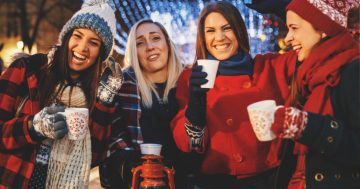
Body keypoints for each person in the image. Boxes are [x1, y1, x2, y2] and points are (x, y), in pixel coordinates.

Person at [171, 2, 298, 189]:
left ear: (238, 30)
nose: (219, 37)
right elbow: (192, 145)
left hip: (272, 179)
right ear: (203, 37)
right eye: (210, 31)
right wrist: (196, 104)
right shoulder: (191, 79)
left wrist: (288, 9)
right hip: (219, 182)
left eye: (227, 28)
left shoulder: (269, 67)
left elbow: (314, 50)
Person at [0, 0, 123, 188]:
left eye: (93, 42)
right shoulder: (27, 71)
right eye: (78, 36)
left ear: (101, 52)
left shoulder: (95, 93)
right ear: (66, 37)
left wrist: (105, 99)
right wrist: (33, 127)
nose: (82, 48)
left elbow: (95, 155)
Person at [249, 0, 359, 189]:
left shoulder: (352, 70)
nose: (288, 37)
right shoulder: (308, 74)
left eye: (294, 28)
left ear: (323, 28)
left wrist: (307, 127)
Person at [99, 19, 195, 189]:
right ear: (134, 53)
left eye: (155, 38)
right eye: (140, 43)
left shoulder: (191, 82)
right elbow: (110, 143)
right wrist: (132, 164)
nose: (150, 46)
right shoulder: (123, 87)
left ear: (167, 43)